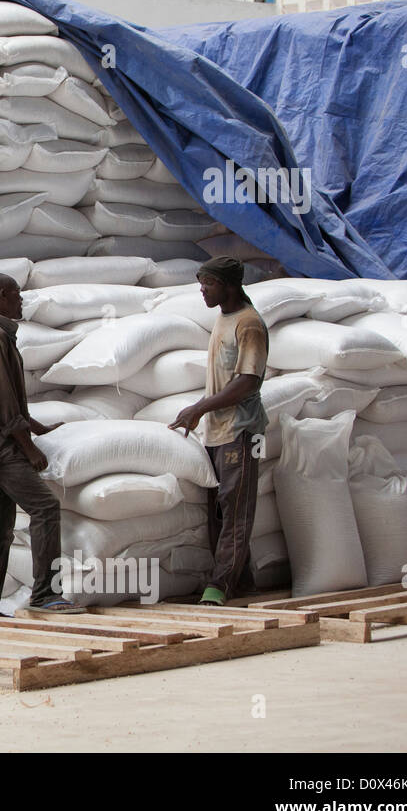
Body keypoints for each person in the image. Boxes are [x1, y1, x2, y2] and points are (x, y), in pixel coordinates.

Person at [0, 273, 83, 616]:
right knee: (45, 508)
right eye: (16, 294)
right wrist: (29, 448)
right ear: (1, 295)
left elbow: (4, 397)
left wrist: (38, 427)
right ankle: (45, 593)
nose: (21, 300)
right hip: (1, 447)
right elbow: (1, 402)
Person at [169, 256, 269, 606]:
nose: (202, 290)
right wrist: (202, 411)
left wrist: (199, 408)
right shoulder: (224, 319)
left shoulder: (249, 324)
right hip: (217, 430)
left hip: (242, 432)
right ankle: (243, 584)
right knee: (219, 511)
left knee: (235, 509)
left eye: (208, 283)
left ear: (228, 285)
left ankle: (220, 585)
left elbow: (246, 382)